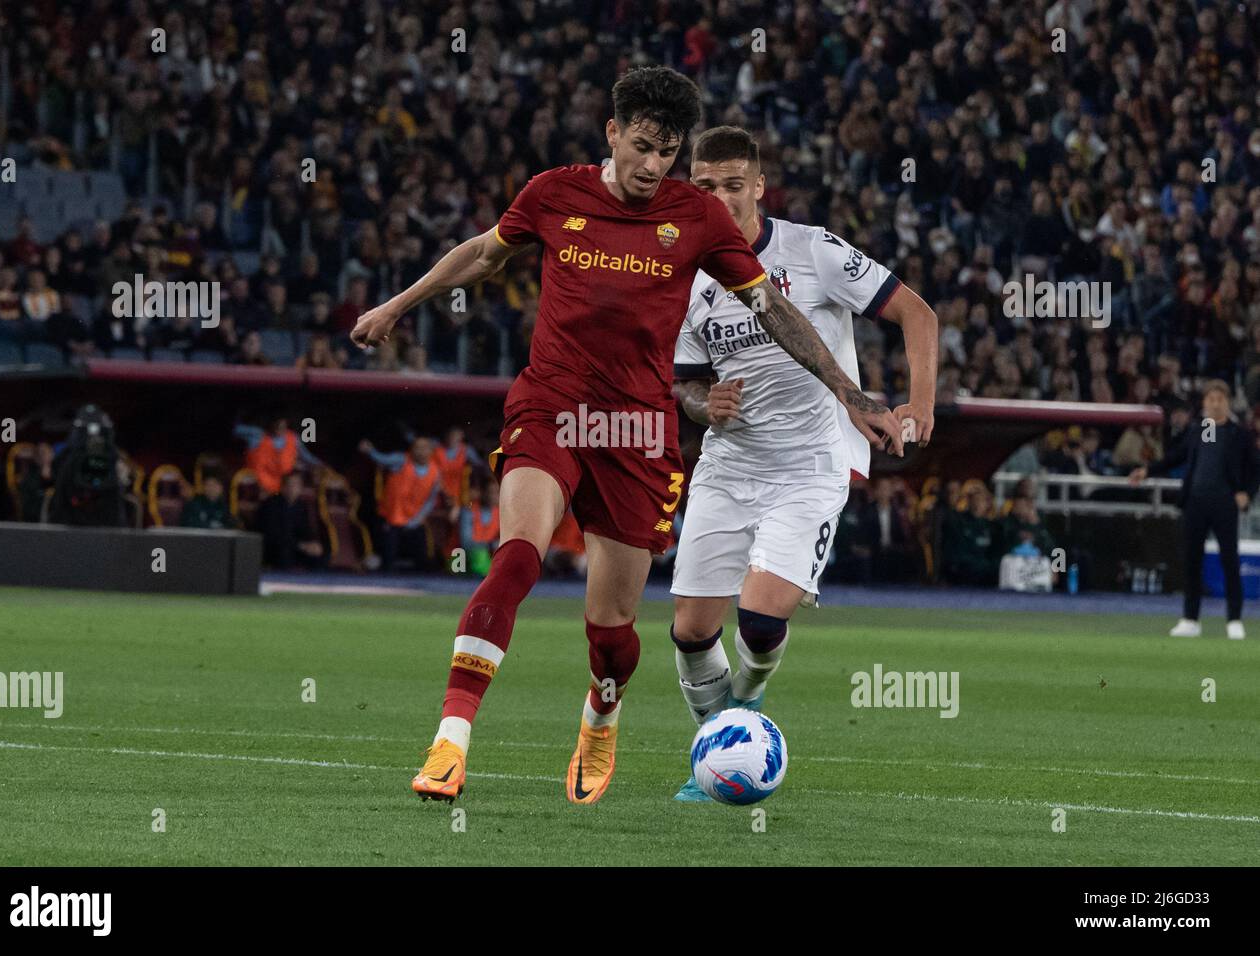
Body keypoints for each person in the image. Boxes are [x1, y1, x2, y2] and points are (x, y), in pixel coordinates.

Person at [350, 66, 902, 804]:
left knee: (611, 628)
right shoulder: (553, 193)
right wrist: (398, 304)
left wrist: (847, 390)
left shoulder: (695, 219)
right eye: (641, 146)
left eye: (667, 152)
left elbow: (770, 308)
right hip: (552, 406)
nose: (652, 166)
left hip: (639, 431)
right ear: (612, 133)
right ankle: (452, 739)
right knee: (518, 556)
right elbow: (485, 254)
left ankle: (602, 709)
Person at [667, 126, 937, 800]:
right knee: (691, 631)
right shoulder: (682, 276)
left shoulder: (812, 251)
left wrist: (919, 403)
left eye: (734, 185)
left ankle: (742, 717)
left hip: (809, 464)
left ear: (759, 186)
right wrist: (706, 405)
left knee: (758, 620)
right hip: (729, 466)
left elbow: (917, 313)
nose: (721, 198)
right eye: (706, 187)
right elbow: (685, 381)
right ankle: (719, 754)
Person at [1131, 380, 1258, 639]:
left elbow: (1255, 467)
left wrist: (1247, 493)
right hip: (1195, 503)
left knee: (1230, 561)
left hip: (1224, 503)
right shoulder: (1197, 431)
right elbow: (1175, 457)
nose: (1215, 403)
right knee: (1191, 561)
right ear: (1204, 403)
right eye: (1210, 399)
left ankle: (1234, 619)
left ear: (1228, 402)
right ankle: (1191, 618)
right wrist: (1148, 470)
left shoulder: (1239, 434)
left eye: (1219, 398)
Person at [360, 436, 441, 573]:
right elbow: (382, 459)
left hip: (413, 520)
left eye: (424, 448)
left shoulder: (435, 471)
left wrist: (418, 519)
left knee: (422, 558)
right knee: (388, 558)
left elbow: (431, 500)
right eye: (417, 448)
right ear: (412, 450)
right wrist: (370, 451)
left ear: (431, 451)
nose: (421, 451)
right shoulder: (401, 460)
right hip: (391, 518)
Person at [233, 417, 324, 495]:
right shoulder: (257, 435)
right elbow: (234, 429)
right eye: (277, 424)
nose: (279, 428)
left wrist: (321, 465)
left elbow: (307, 457)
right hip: (259, 484)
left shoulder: (293, 439)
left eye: (282, 425)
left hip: (285, 486)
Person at [257, 471, 327, 570]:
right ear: (283, 487)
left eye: (297, 484)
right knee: (284, 552)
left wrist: (313, 543)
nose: (294, 488)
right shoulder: (270, 505)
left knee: (320, 553)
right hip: (274, 547)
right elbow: (273, 535)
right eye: (291, 484)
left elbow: (305, 530)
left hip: (296, 546)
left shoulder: (301, 506)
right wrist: (300, 545)